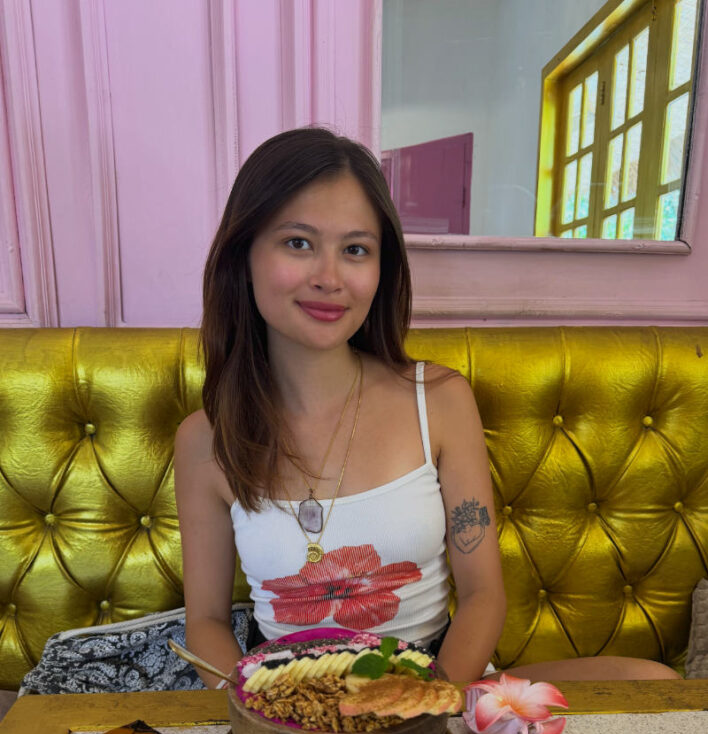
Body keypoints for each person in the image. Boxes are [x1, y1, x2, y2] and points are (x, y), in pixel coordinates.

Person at [175, 127, 679, 689]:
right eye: (298, 243)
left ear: (381, 269)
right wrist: (263, 711)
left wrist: (424, 704)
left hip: (435, 686)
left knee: (653, 680)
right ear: (243, 255)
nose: (329, 278)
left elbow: (483, 595)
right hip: (285, 701)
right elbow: (207, 622)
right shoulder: (205, 441)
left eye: (355, 250)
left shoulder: (439, 400)